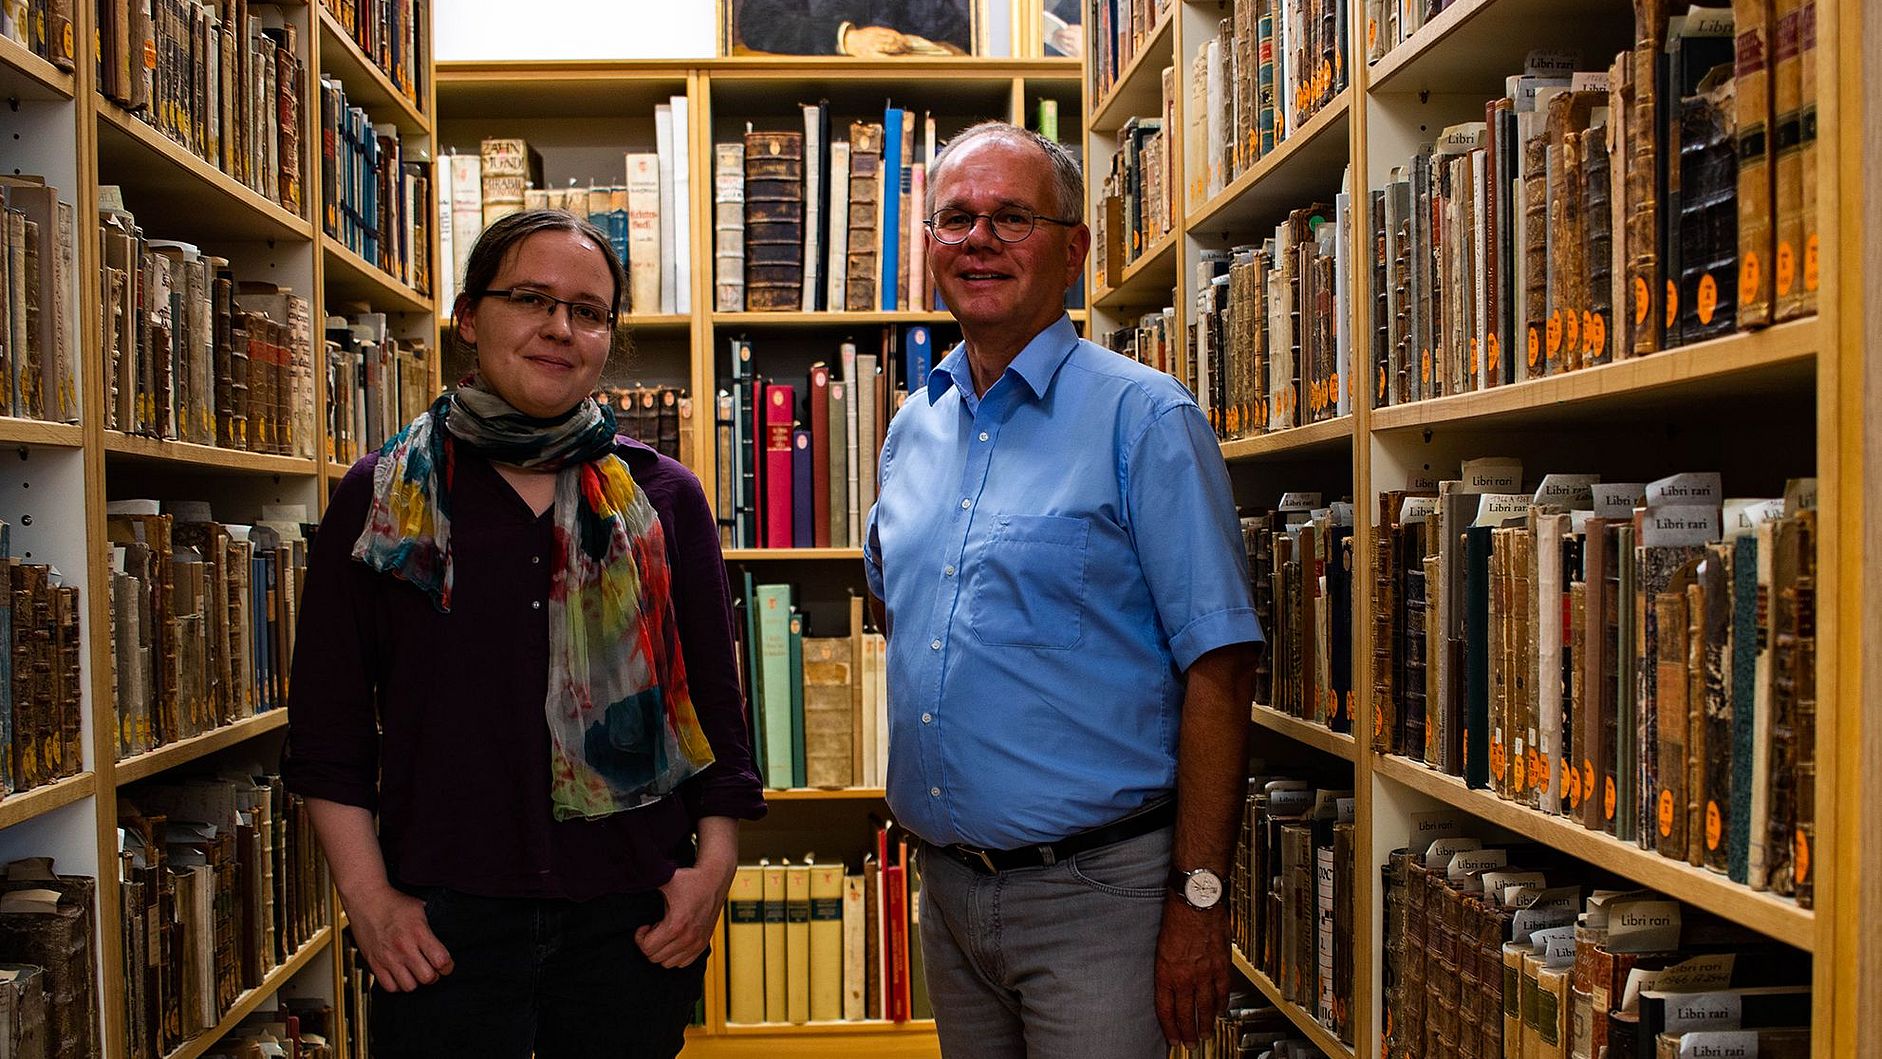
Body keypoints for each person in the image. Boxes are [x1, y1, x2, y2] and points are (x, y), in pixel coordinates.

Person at [283, 210, 765, 1059]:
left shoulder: (668, 499)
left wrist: (710, 874)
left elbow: (719, 720)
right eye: (532, 299)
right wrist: (369, 901)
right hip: (441, 929)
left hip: (631, 919)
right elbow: (328, 732)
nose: (560, 328)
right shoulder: (382, 499)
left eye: (588, 310)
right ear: (470, 317)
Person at [863, 122, 1263, 1058]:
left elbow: (1223, 665)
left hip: (1099, 900)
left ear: (1075, 248)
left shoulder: (1146, 419)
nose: (979, 239)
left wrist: (1198, 897)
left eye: (1013, 216)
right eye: (956, 218)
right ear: (927, 248)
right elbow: (901, 612)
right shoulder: (909, 431)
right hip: (949, 894)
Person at [733, 0, 973, 57]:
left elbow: (963, 30)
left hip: (917, 88)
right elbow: (760, 22)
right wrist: (845, 38)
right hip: (822, 88)